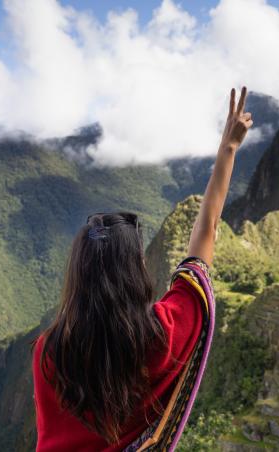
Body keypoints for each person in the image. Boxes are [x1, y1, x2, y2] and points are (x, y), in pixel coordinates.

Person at [32, 87, 253, 451]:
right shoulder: (162, 335)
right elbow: (205, 236)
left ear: (78, 273)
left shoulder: (48, 352)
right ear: (135, 271)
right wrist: (229, 148)